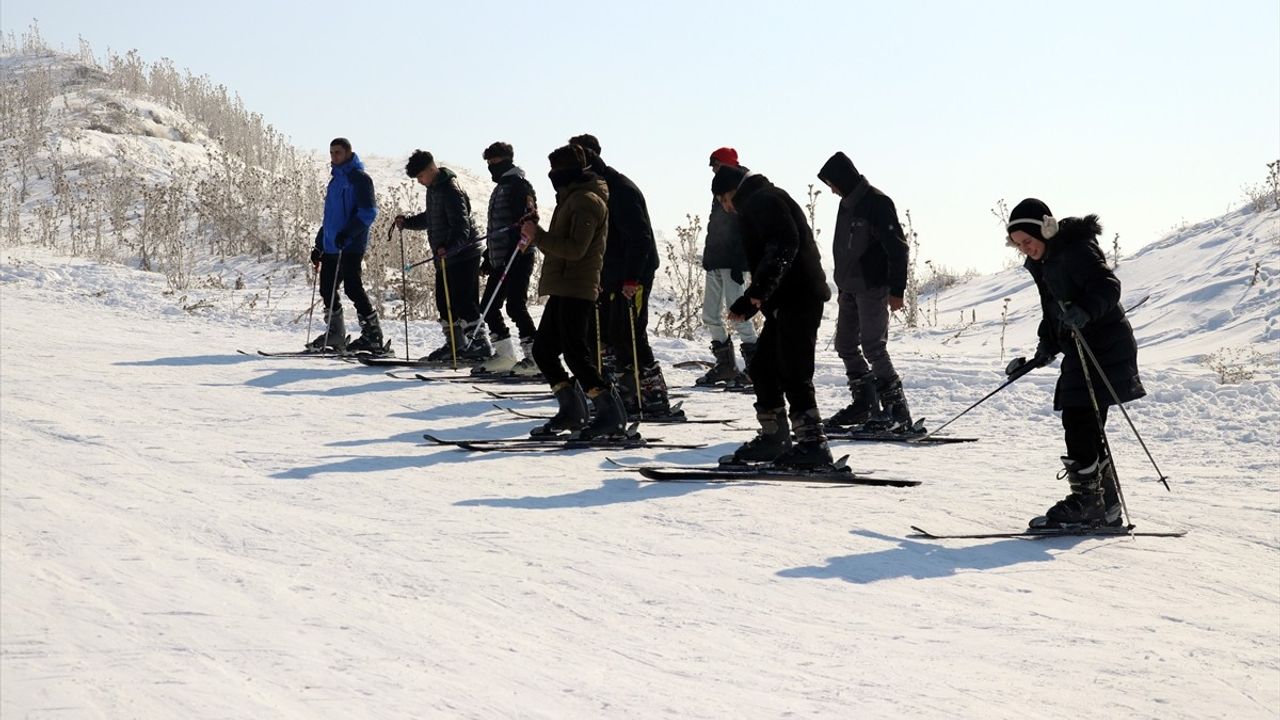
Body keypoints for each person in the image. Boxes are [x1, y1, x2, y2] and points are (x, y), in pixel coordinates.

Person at [1004, 198, 1145, 529]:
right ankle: (1104, 507)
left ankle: (1089, 504)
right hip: (1080, 347)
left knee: (1079, 417)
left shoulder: (1076, 249)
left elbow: (1108, 287)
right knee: (1084, 422)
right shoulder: (1045, 260)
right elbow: (1053, 308)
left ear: (1045, 229)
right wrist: (1046, 345)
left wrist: (1084, 311)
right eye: (1018, 245)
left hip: (1104, 346)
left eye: (1028, 240)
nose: (1026, 249)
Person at [712, 164, 833, 467]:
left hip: (800, 297)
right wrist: (756, 299)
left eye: (724, 201)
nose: (726, 209)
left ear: (731, 191)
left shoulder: (763, 200)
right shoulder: (760, 199)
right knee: (764, 367)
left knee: (794, 370)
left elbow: (783, 245)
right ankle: (774, 436)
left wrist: (756, 293)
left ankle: (813, 445)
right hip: (785, 299)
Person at [519, 144, 627, 439]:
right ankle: (572, 410)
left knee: (576, 354)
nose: (552, 176)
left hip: (577, 287)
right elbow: (562, 241)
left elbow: (575, 250)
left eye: (556, 170)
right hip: (564, 286)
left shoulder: (587, 202)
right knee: (543, 350)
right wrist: (537, 230)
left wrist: (537, 236)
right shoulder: (571, 199)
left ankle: (609, 414)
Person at [568, 134, 680, 420]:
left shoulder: (620, 188)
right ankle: (619, 390)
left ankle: (652, 394)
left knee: (629, 332)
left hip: (633, 274)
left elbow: (639, 238)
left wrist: (632, 277)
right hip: (608, 273)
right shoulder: (594, 187)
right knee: (603, 333)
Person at [815, 151, 912, 430]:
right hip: (849, 288)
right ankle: (865, 404)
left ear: (843, 179)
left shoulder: (877, 203)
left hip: (873, 287)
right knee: (844, 345)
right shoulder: (846, 203)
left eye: (832, 184)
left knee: (873, 347)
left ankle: (897, 412)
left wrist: (897, 290)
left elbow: (898, 249)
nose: (831, 190)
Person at [394, 150, 490, 362]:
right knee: (444, 301)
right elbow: (432, 218)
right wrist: (408, 223)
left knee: (464, 301)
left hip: (463, 254)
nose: (420, 182)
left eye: (420, 176)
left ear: (431, 168)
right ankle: (455, 344)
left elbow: (462, 227)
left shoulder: (450, 190)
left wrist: (449, 246)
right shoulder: (434, 189)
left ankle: (479, 343)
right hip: (446, 256)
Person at [308, 137, 381, 353]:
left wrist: (348, 233)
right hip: (331, 246)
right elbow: (329, 218)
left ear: (349, 153)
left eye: (337, 152)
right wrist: (319, 245)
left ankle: (373, 334)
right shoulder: (334, 181)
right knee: (327, 288)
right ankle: (335, 334)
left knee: (352, 287)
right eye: (331, 153)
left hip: (351, 245)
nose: (333, 157)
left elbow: (368, 213)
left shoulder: (360, 179)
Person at [474, 141, 538, 375]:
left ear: (508, 160)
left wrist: (517, 250)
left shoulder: (520, 187)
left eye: (495, 162)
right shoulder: (500, 187)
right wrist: (489, 258)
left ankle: (536, 358)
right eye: (489, 163)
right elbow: (497, 227)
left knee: (515, 306)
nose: (491, 167)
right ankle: (504, 355)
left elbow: (529, 220)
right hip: (501, 260)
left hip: (519, 257)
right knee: (488, 307)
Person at [698, 147, 757, 386]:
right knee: (710, 315)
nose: (713, 169)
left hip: (734, 264)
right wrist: (708, 258)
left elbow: (747, 230)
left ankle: (756, 367)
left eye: (716, 164)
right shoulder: (719, 190)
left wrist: (741, 262)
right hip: (715, 260)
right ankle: (725, 366)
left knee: (739, 315)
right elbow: (717, 226)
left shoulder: (745, 188)